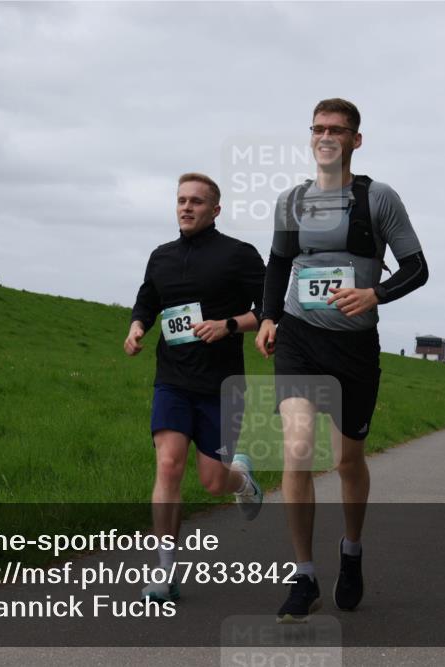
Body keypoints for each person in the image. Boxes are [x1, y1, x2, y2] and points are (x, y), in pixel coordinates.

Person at [255, 98, 428, 622]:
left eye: (338, 129)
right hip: (300, 338)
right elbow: (279, 263)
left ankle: (350, 552)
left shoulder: (379, 198)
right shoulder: (291, 201)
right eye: (318, 128)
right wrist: (267, 317)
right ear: (311, 137)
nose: (326, 136)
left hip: (354, 348)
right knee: (298, 446)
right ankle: (303, 576)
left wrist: (375, 295)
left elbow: (417, 268)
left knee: (348, 461)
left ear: (355, 140)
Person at [126, 172, 265, 603]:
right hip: (172, 379)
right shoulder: (161, 256)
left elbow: (269, 309)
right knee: (168, 465)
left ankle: (241, 479)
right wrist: (136, 328)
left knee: (211, 481)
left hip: (222, 384)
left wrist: (228, 326)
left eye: (197, 202)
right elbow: (148, 299)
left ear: (215, 209)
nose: (186, 208)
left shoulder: (239, 255)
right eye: (181, 200)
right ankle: (164, 575)